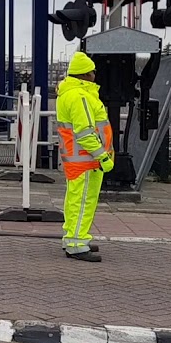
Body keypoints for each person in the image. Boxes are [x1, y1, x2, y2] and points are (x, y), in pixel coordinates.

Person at [55, 51, 114, 262]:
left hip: (75, 159)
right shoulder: (80, 97)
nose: (95, 75)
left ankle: (73, 238)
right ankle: (77, 244)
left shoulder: (68, 94)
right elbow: (86, 133)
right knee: (84, 202)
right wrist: (103, 157)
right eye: (93, 72)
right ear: (86, 74)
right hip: (87, 160)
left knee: (74, 201)